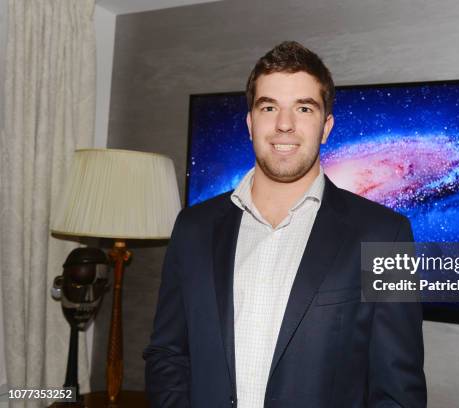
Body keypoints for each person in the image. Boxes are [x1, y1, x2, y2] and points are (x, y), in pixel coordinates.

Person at [143, 41, 426, 408]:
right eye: (269, 106)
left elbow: (397, 393)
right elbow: (167, 353)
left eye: (303, 108)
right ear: (250, 122)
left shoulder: (387, 236)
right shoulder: (192, 228)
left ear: (326, 127)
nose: (284, 124)